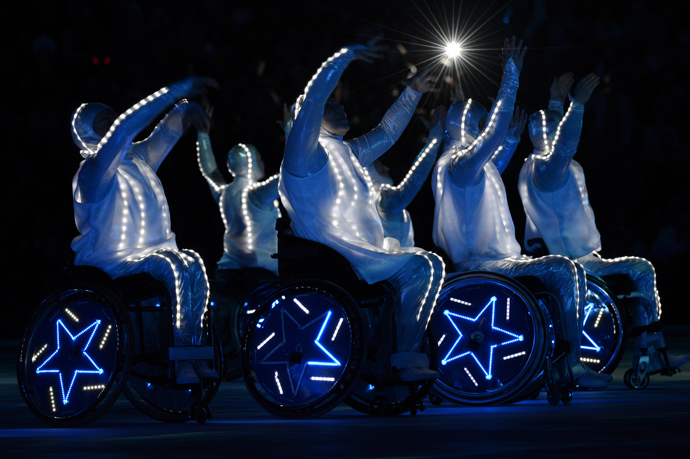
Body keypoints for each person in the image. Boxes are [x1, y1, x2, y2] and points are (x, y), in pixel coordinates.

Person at [432, 37, 611, 389]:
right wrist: (510, 76)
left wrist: (512, 138)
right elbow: (492, 138)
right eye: (482, 126)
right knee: (563, 269)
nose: (488, 131)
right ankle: (571, 363)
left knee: (561, 269)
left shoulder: (463, 167)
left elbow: (493, 163)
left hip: (492, 262)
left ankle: (559, 355)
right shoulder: (459, 163)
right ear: (470, 128)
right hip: (485, 265)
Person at [279, 38, 445, 382]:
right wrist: (344, 55)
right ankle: (402, 358)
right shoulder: (302, 155)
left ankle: (392, 351)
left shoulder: (346, 153)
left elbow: (386, 133)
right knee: (421, 266)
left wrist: (413, 91)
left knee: (427, 262)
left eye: (338, 104)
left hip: (365, 254)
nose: (340, 107)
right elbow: (312, 100)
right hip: (338, 259)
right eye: (331, 105)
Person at [518, 72, 687, 375]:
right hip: (572, 264)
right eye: (556, 128)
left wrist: (556, 98)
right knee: (638, 269)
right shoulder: (545, 169)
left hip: (585, 259)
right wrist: (577, 106)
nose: (560, 131)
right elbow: (563, 143)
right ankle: (575, 364)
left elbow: (554, 131)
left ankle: (652, 352)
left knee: (641, 268)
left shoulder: (543, 164)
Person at [70, 76, 220, 384]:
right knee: (175, 265)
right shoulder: (91, 173)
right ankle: (179, 360)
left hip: (152, 253)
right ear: (87, 135)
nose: (114, 126)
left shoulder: (138, 158)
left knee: (193, 262)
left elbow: (166, 133)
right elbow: (126, 128)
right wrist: (177, 90)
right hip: (113, 261)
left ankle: (195, 352)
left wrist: (186, 108)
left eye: (114, 119)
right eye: (104, 124)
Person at [196, 110, 281, 379]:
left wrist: (203, 135)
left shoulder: (225, 193)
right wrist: (292, 132)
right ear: (255, 163)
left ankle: (230, 361)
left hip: (227, 272)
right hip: (262, 274)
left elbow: (209, 171)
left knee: (222, 321)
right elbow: (290, 173)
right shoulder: (259, 193)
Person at [366, 106, 445, 247]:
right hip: (402, 267)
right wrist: (435, 137)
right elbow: (415, 179)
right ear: (368, 172)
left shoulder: (376, 202)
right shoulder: (384, 201)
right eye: (379, 164)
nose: (386, 167)